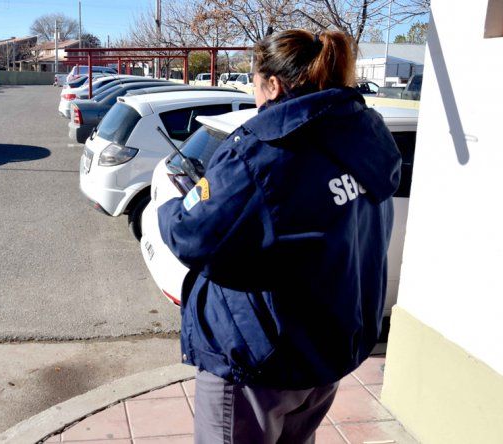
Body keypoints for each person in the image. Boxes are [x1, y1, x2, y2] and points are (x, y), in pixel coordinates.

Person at [158, 29, 401, 443]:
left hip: (259, 360)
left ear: (272, 84)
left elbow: (190, 234)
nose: (254, 97)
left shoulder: (262, 150)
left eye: (254, 84)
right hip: (326, 349)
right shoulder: (365, 135)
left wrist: (169, 205)